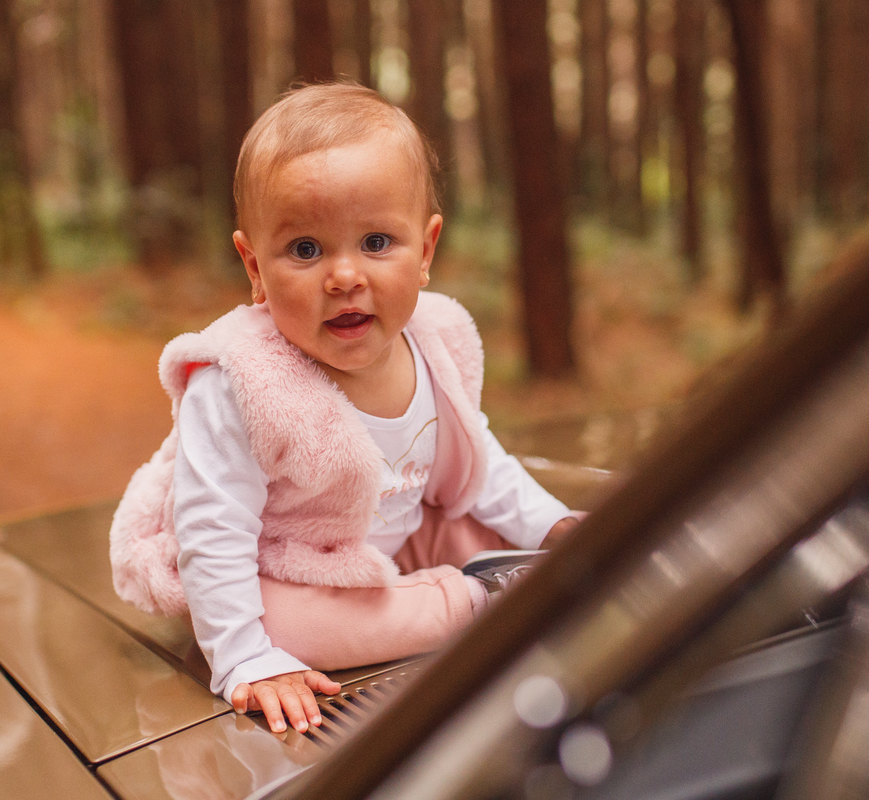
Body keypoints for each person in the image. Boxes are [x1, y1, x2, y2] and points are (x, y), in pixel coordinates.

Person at [109, 83, 581, 735]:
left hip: (399, 539)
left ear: (427, 251)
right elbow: (213, 528)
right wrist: (245, 658)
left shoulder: (433, 339)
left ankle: (536, 567)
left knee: (485, 525)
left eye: (378, 241)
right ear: (254, 265)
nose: (344, 276)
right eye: (305, 250)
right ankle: (473, 602)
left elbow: (481, 458)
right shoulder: (243, 380)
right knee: (285, 625)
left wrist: (552, 526)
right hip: (285, 570)